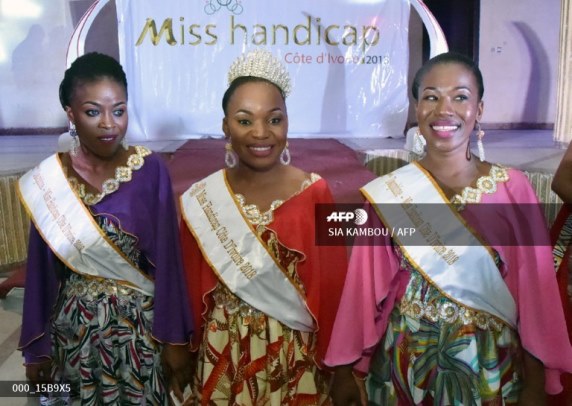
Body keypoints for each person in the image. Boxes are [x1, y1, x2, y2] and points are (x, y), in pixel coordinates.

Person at [325, 52, 572, 405]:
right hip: (406, 361)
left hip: (488, 361)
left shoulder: (512, 188)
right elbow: (363, 291)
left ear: (479, 109)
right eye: (431, 97)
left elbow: (536, 292)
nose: (444, 109)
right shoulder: (390, 193)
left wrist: (536, 383)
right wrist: (347, 369)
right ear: (417, 108)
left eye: (460, 97)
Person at [17, 52, 193, 404]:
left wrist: (175, 339)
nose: (109, 124)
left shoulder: (149, 170)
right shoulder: (51, 180)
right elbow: (40, 270)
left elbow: (170, 262)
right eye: (93, 112)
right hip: (74, 335)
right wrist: (36, 349)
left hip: (140, 333)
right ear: (71, 114)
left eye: (119, 110)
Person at [179, 48, 348, 404]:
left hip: (293, 350)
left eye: (274, 119)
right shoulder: (202, 198)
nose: (260, 133)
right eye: (244, 121)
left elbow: (334, 284)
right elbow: (190, 284)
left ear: (287, 122)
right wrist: (182, 347)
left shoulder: (316, 191)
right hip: (222, 347)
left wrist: (341, 365)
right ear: (225, 126)